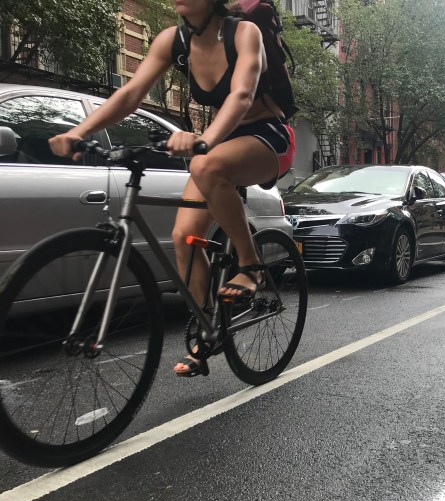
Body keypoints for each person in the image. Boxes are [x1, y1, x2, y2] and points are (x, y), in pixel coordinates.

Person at [49, 0, 296, 377]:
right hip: (220, 144)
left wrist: (205, 140)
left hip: (269, 136)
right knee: (183, 237)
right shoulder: (172, 41)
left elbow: (242, 95)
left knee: (205, 164)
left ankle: (251, 265)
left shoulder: (244, 33)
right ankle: (207, 330)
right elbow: (130, 94)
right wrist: (78, 132)